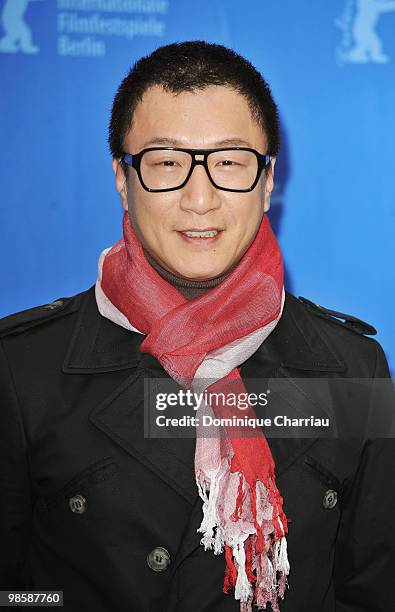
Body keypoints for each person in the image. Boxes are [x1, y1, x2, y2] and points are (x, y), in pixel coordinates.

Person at [0, 41, 394, 612]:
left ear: (266, 181)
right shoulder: (21, 370)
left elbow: (373, 591)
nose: (200, 197)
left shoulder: (352, 369)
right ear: (121, 177)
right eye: (166, 163)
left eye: (230, 162)